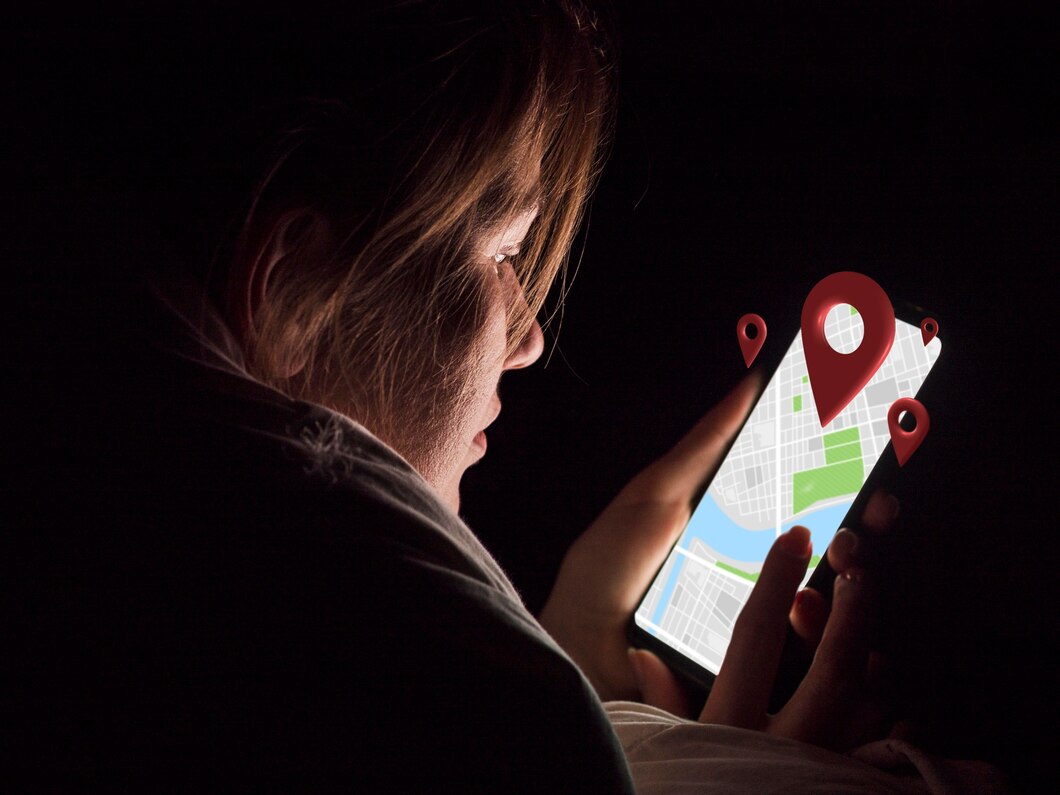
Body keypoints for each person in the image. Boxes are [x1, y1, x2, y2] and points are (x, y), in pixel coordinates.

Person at [10, 1, 1007, 791]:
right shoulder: (468, 717)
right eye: (501, 253)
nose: (529, 337)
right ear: (295, 282)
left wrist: (572, 658)